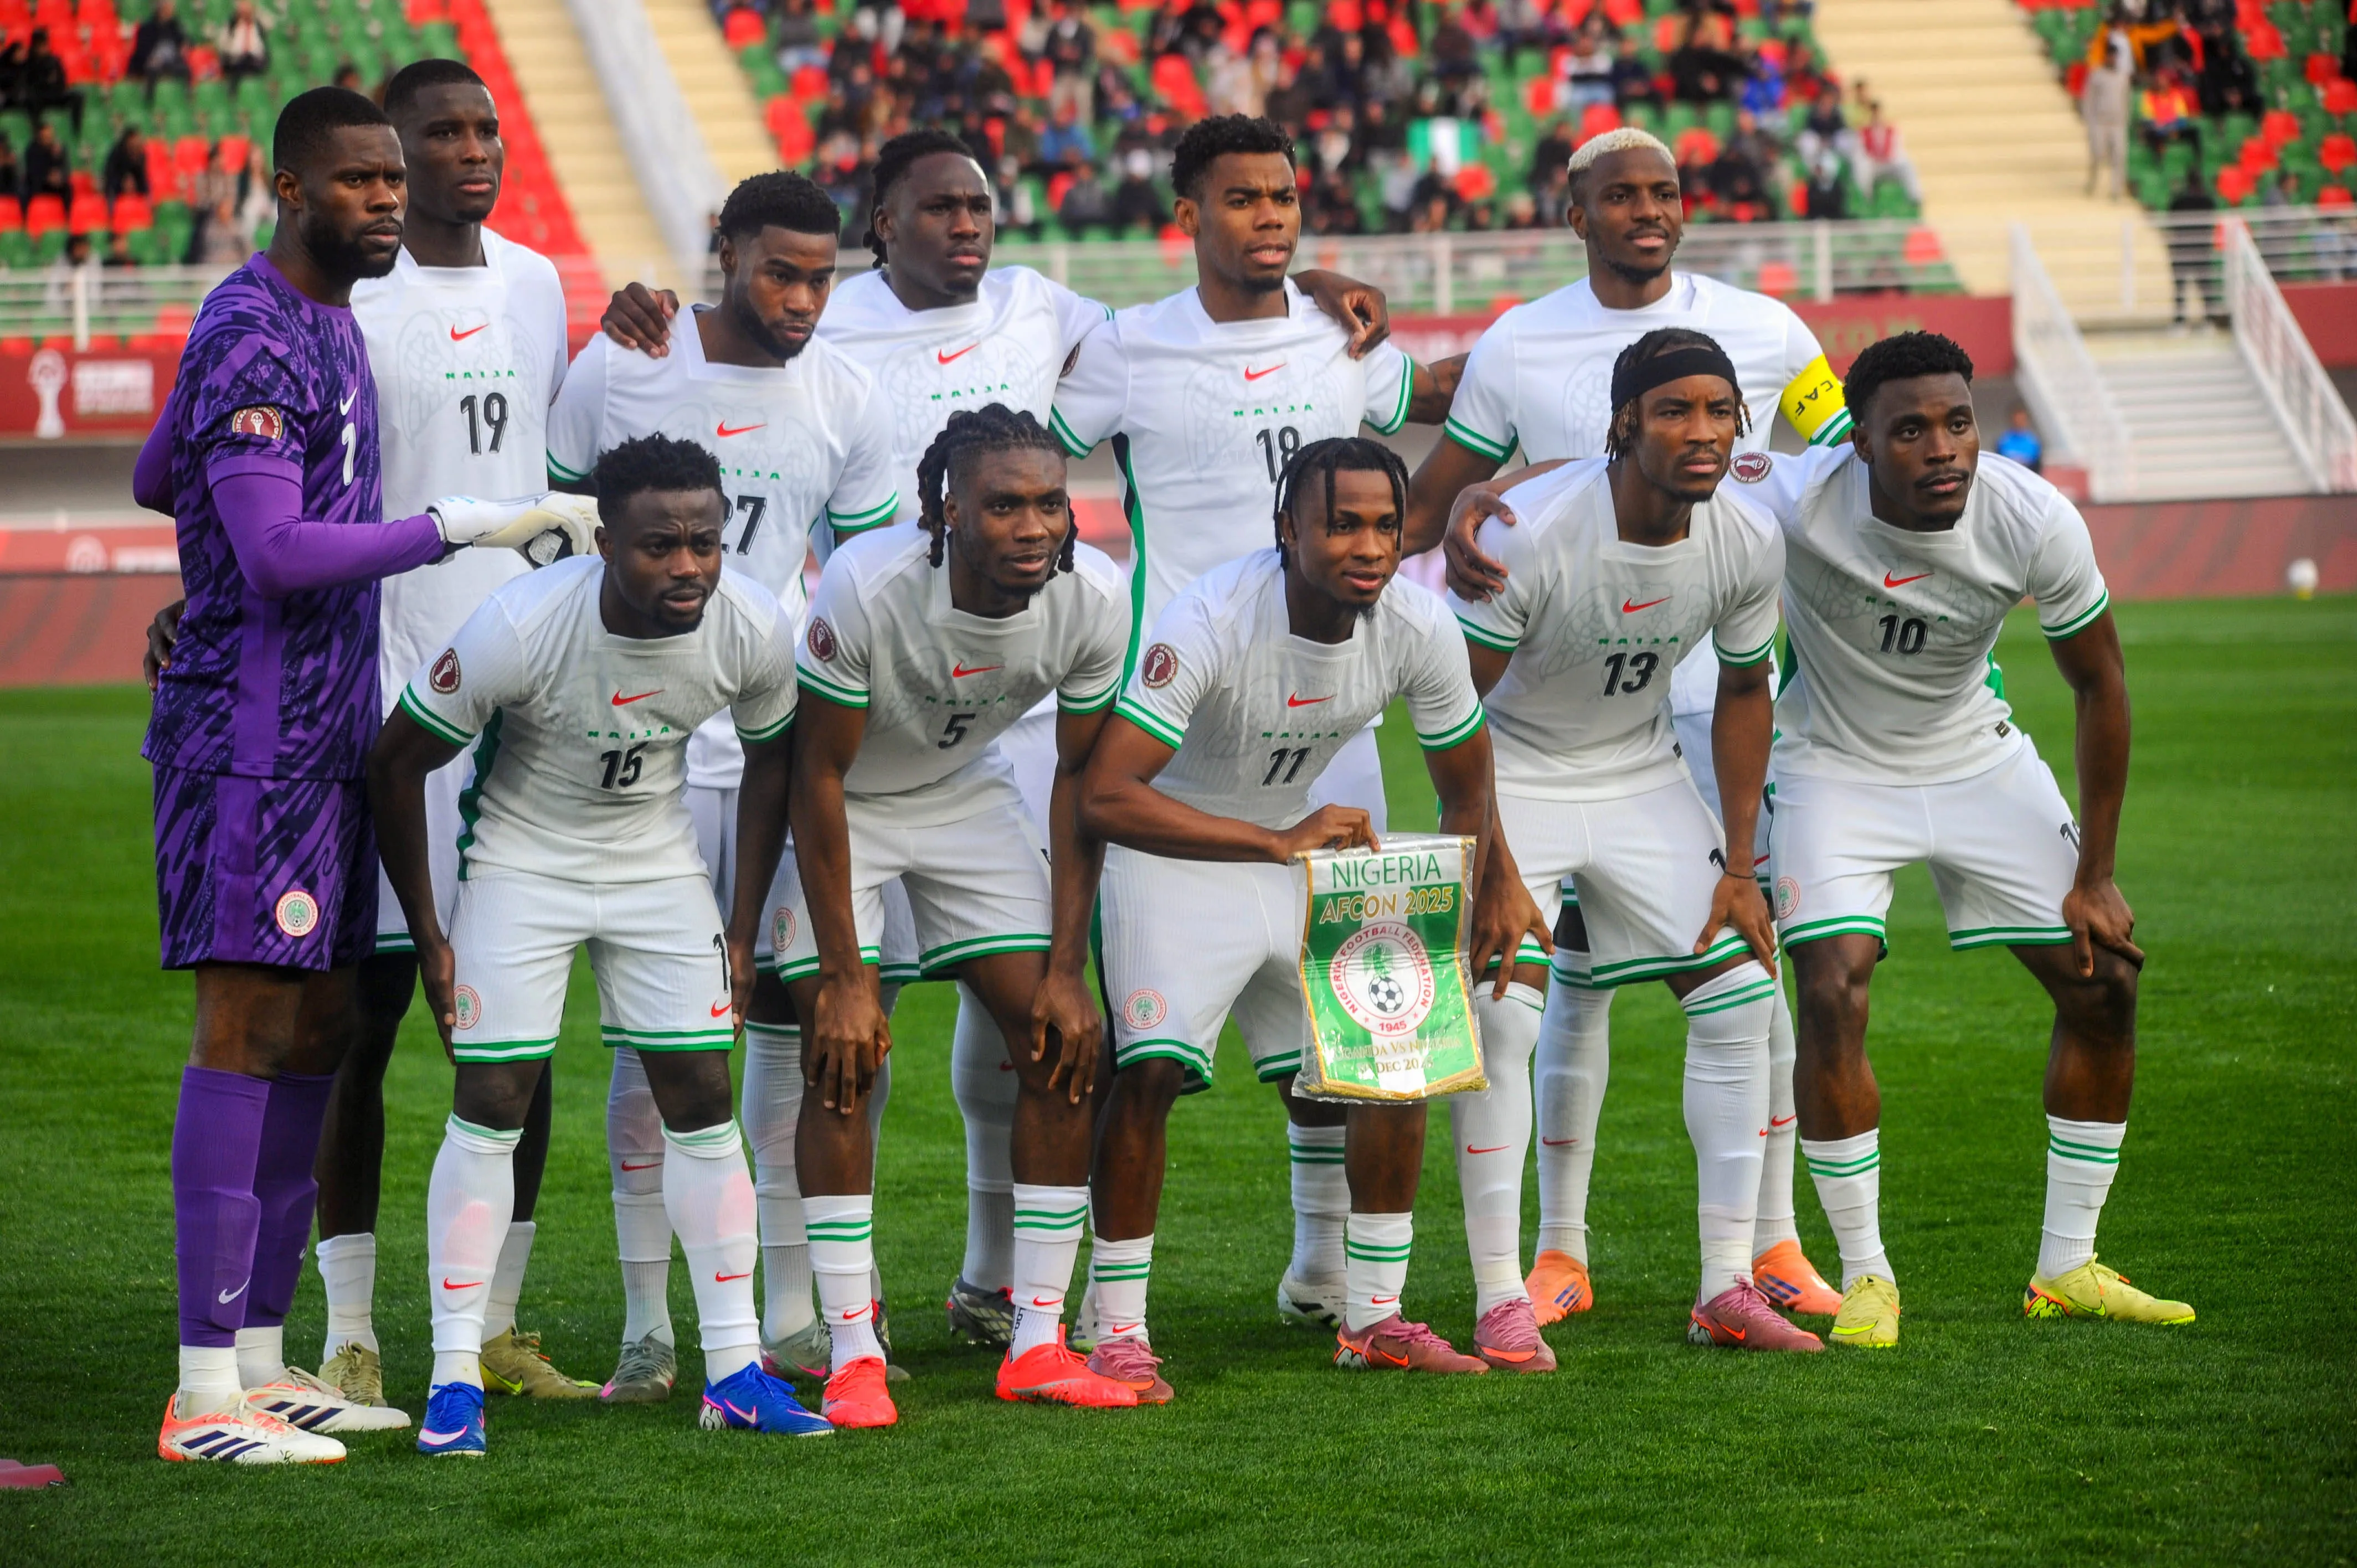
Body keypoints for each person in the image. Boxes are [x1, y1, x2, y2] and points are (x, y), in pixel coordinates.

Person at [593, 127, 1398, 1360]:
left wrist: (1316, 290)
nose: (968, 226)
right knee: (804, 1018)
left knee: (1046, 1015)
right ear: (879, 225)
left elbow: (1217, 325)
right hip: (860, 693)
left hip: (1026, 713)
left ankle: (1010, 1283)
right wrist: (650, 314)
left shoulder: (1050, 312)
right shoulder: (829, 339)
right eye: (940, 208)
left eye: (981, 207)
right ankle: (796, 1313)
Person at [140, 85, 595, 1466]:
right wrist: (455, 523)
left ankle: (264, 1363)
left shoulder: (331, 318)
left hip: (335, 730)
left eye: (394, 178)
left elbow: (163, 472)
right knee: (246, 1027)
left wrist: (209, 527)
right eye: (359, 180)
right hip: (252, 741)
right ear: (289, 188)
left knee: (322, 1027)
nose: (389, 197)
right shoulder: (254, 325)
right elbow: (276, 554)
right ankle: (202, 1393)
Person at [1412, 125, 1848, 1331]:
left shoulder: (1745, 525)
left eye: (1720, 414)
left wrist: (1743, 866)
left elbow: (1750, 687)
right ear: (1621, 425)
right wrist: (1493, 865)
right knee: (1507, 1006)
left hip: (1646, 763)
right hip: (1518, 776)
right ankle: (1506, 1292)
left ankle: (1727, 1282)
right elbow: (1452, 708)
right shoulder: (1527, 526)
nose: (1704, 432)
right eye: (1674, 414)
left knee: (1741, 990)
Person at [1049, 114, 1460, 1335]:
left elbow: (1452, 400)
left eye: (1283, 197)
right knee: (1138, 1062)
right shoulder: (1126, 347)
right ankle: (1072, 1307)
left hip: (1332, 733)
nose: (1269, 216)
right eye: (1240, 199)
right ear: (1187, 216)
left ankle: (1333, 1282)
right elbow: (1018, 437)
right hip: (1183, 724)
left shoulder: (1342, 340)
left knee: (1358, 1047)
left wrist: (1478, 502)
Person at [372, 434, 831, 1456]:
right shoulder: (522, 623)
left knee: (702, 1098)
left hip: (654, 860)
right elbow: (394, 763)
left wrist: (741, 925)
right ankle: (454, 1378)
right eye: (659, 545)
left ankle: (735, 1372)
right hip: (521, 860)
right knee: (494, 1099)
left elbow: (773, 761)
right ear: (606, 542)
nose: (688, 566)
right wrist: (432, 937)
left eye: (705, 542)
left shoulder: (753, 622)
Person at [545, 168, 900, 1403]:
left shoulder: (846, 394)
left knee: (801, 1028)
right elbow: (558, 530)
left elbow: (859, 573)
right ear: (727, 252)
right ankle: (650, 1327)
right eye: (779, 273)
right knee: (659, 1045)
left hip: (777, 746)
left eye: (820, 279)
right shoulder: (624, 361)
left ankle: (793, 1312)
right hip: (642, 751)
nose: (801, 299)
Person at [1757, 331, 2186, 1345]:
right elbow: (1630, 475)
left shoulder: (2031, 514)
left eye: (1958, 422)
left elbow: (2101, 684)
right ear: (1858, 441)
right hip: (1830, 766)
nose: (1943, 447)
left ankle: (2067, 1265)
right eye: (1909, 430)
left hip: (1974, 757)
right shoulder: (1788, 497)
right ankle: (1866, 1277)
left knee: (2106, 980)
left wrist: (2096, 875)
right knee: (1830, 988)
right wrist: (1479, 499)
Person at [1079, 437, 1528, 1395]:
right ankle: (1114, 1327)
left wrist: (1469, 899)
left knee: (1395, 1048)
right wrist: (1273, 842)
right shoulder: (1210, 617)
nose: (1369, 547)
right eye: (1342, 525)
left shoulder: (1416, 621)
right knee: (1148, 1073)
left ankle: (1372, 1317)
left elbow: (1467, 781)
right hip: (1171, 851)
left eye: (1386, 526)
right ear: (1287, 529)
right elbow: (1106, 794)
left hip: (1296, 842)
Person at [781, 405, 1139, 1425]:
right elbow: (816, 774)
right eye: (1005, 506)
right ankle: (851, 1350)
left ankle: (1036, 1342)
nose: (1035, 527)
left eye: (1051, 504)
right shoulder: (869, 583)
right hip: (849, 804)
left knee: (1066, 1044)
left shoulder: (1094, 595)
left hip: (964, 795)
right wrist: (845, 978)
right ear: (948, 509)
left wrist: (1067, 966)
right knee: (843, 1054)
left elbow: (1078, 780)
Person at [2083, 33, 2131, 202]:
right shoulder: (2097, 75)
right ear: (2106, 57)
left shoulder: (2123, 77)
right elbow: (2089, 100)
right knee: (2097, 155)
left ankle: (2116, 190)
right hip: (2100, 122)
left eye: (2115, 56)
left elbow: (2126, 100)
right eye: (2110, 56)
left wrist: (2125, 120)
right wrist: (2089, 122)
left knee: (2119, 156)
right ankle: (2092, 182)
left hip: (2117, 123)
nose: (2113, 59)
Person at [130, 0, 193, 87]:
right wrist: (151, 59)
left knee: (184, 70)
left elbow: (186, 41)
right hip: (152, 64)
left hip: (171, 62)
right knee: (153, 70)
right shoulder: (147, 28)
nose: (173, 9)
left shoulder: (175, 26)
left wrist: (185, 46)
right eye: (170, 7)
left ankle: (185, 93)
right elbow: (141, 52)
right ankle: (150, 95)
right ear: (162, 9)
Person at [219, 0, 271, 84]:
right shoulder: (232, 25)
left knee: (251, 62)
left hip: (255, 60)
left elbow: (270, 24)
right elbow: (222, 44)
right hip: (236, 60)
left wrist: (257, 11)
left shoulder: (258, 24)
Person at [104, 125, 150, 204]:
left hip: (136, 190)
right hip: (116, 190)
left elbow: (142, 179)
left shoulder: (141, 155)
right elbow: (110, 176)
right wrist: (122, 183)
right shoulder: (117, 153)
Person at [1995, 406, 2042, 472]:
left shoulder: (2033, 441)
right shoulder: (2003, 441)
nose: (2019, 422)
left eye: (2021, 419)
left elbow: (2037, 464)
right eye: (2017, 419)